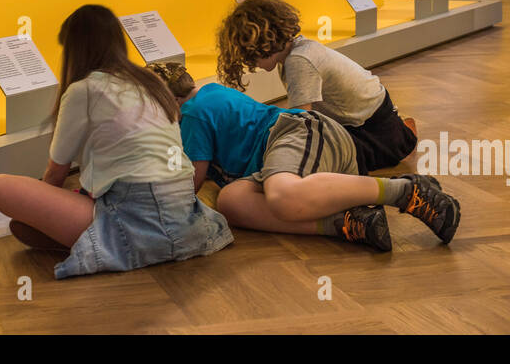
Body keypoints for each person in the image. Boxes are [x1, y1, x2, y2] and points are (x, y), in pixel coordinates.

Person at [0, 5, 232, 277]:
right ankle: (117, 243)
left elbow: (56, 173)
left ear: (73, 50)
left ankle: (116, 246)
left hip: (133, 215)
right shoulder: (151, 82)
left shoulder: (84, 90)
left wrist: (44, 202)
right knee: (22, 227)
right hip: (187, 219)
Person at [147, 62, 460, 251]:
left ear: (168, 101)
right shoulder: (205, 100)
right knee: (231, 200)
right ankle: (347, 223)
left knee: (281, 192)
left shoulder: (194, 113)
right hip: (301, 156)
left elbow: (190, 183)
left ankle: (405, 191)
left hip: (301, 134)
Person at [215, 0, 418, 175]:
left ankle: (401, 137)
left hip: (370, 127)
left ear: (262, 45)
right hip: (368, 114)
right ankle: (401, 131)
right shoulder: (295, 52)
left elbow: (299, 123)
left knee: (318, 167)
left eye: (248, 55)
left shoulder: (299, 61)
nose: (250, 63)